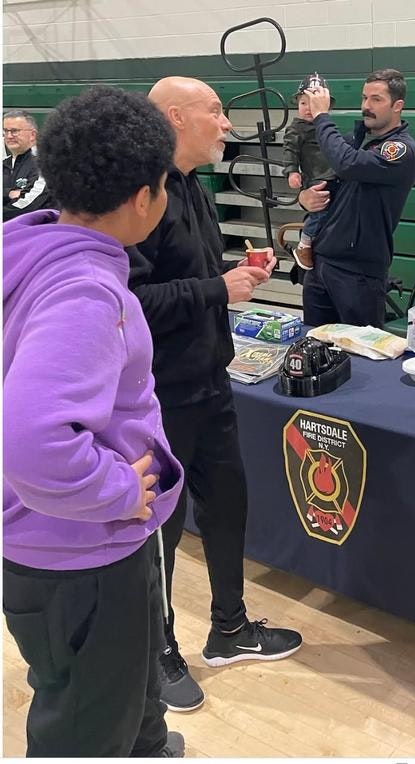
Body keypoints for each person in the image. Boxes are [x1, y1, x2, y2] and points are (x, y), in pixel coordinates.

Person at [3, 85, 185, 757]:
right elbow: (30, 439)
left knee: (129, 695)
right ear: (142, 197)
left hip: (82, 543)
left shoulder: (36, 250)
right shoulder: (83, 289)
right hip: (79, 551)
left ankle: (147, 744)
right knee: (83, 731)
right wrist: (114, 490)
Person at [127, 76, 303, 714]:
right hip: (161, 396)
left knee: (228, 506)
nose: (227, 123)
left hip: (212, 383)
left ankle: (229, 628)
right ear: (176, 116)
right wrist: (215, 290)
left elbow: (196, 279)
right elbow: (130, 301)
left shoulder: (194, 188)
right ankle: (158, 652)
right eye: (216, 111)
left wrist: (237, 275)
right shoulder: (139, 196)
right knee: (161, 530)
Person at [298, 68, 415, 328]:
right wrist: (305, 198)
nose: (366, 106)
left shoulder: (401, 150)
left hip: (358, 273)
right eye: (364, 98)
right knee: (314, 344)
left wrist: (321, 117)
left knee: (360, 348)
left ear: (397, 106)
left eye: (376, 99)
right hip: (322, 263)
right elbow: (329, 179)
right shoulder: (358, 139)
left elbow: (348, 165)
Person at [282, 72, 338, 270]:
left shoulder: (328, 127)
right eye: (303, 103)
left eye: (313, 103)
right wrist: (292, 171)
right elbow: (290, 149)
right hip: (315, 178)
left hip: (333, 176)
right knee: (320, 212)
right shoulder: (296, 129)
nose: (307, 108)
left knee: (334, 212)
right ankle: (304, 244)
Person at [3, 109, 52, 220]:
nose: (9, 136)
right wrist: (9, 193)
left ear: (32, 135)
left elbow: (30, 204)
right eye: (5, 131)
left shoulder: (45, 164)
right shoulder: (4, 165)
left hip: (34, 228)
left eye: (14, 131)